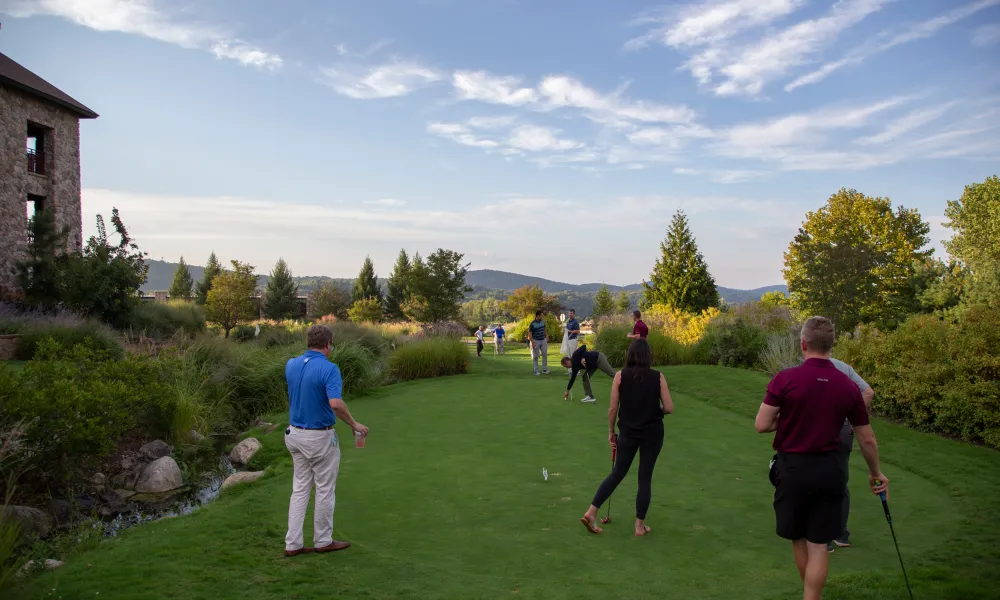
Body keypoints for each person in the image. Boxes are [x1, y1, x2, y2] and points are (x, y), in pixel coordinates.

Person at [754, 317, 888, 600]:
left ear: (803, 344)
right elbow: (867, 438)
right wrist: (875, 472)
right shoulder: (847, 386)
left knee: (800, 539)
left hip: (793, 470)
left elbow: (762, 424)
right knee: (819, 545)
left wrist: (791, 417)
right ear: (831, 345)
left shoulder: (785, 379)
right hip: (831, 470)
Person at [284, 325, 369, 558]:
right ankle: (322, 540)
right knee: (324, 489)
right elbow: (336, 403)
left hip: (294, 434)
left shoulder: (291, 364)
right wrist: (354, 425)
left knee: (300, 489)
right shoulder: (329, 368)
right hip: (318, 437)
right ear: (328, 344)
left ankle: (293, 543)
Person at [580, 339, 673, 537]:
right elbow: (669, 408)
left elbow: (613, 408)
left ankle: (591, 512)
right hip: (652, 433)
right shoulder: (658, 377)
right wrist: (654, 410)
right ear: (648, 356)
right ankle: (639, 526)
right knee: (644, 478)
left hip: (628, 433)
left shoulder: (620, 376)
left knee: (618, 473)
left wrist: (611, 431)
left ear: (630, 355)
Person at [827, 358, 875, 552]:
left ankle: (823, 539)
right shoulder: (844, 367)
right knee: (840, 479)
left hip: (820, 429)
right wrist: (850, 414)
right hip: (845, 430)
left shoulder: (807, 367)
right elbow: (868, 392)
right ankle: (840, 533)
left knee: (819, 479)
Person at [528, 310, 549, 375]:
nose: (542, 317)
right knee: (536, 356)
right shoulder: (532, 324)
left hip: (543, 340)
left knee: (544, 354)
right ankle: (536, 370)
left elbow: (544, 330)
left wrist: (547, 336)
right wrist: (532, 342)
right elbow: (530, 334)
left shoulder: (542, 322)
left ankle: (544, 369)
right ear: (537, 316)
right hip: (536, 340)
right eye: (541, 315)